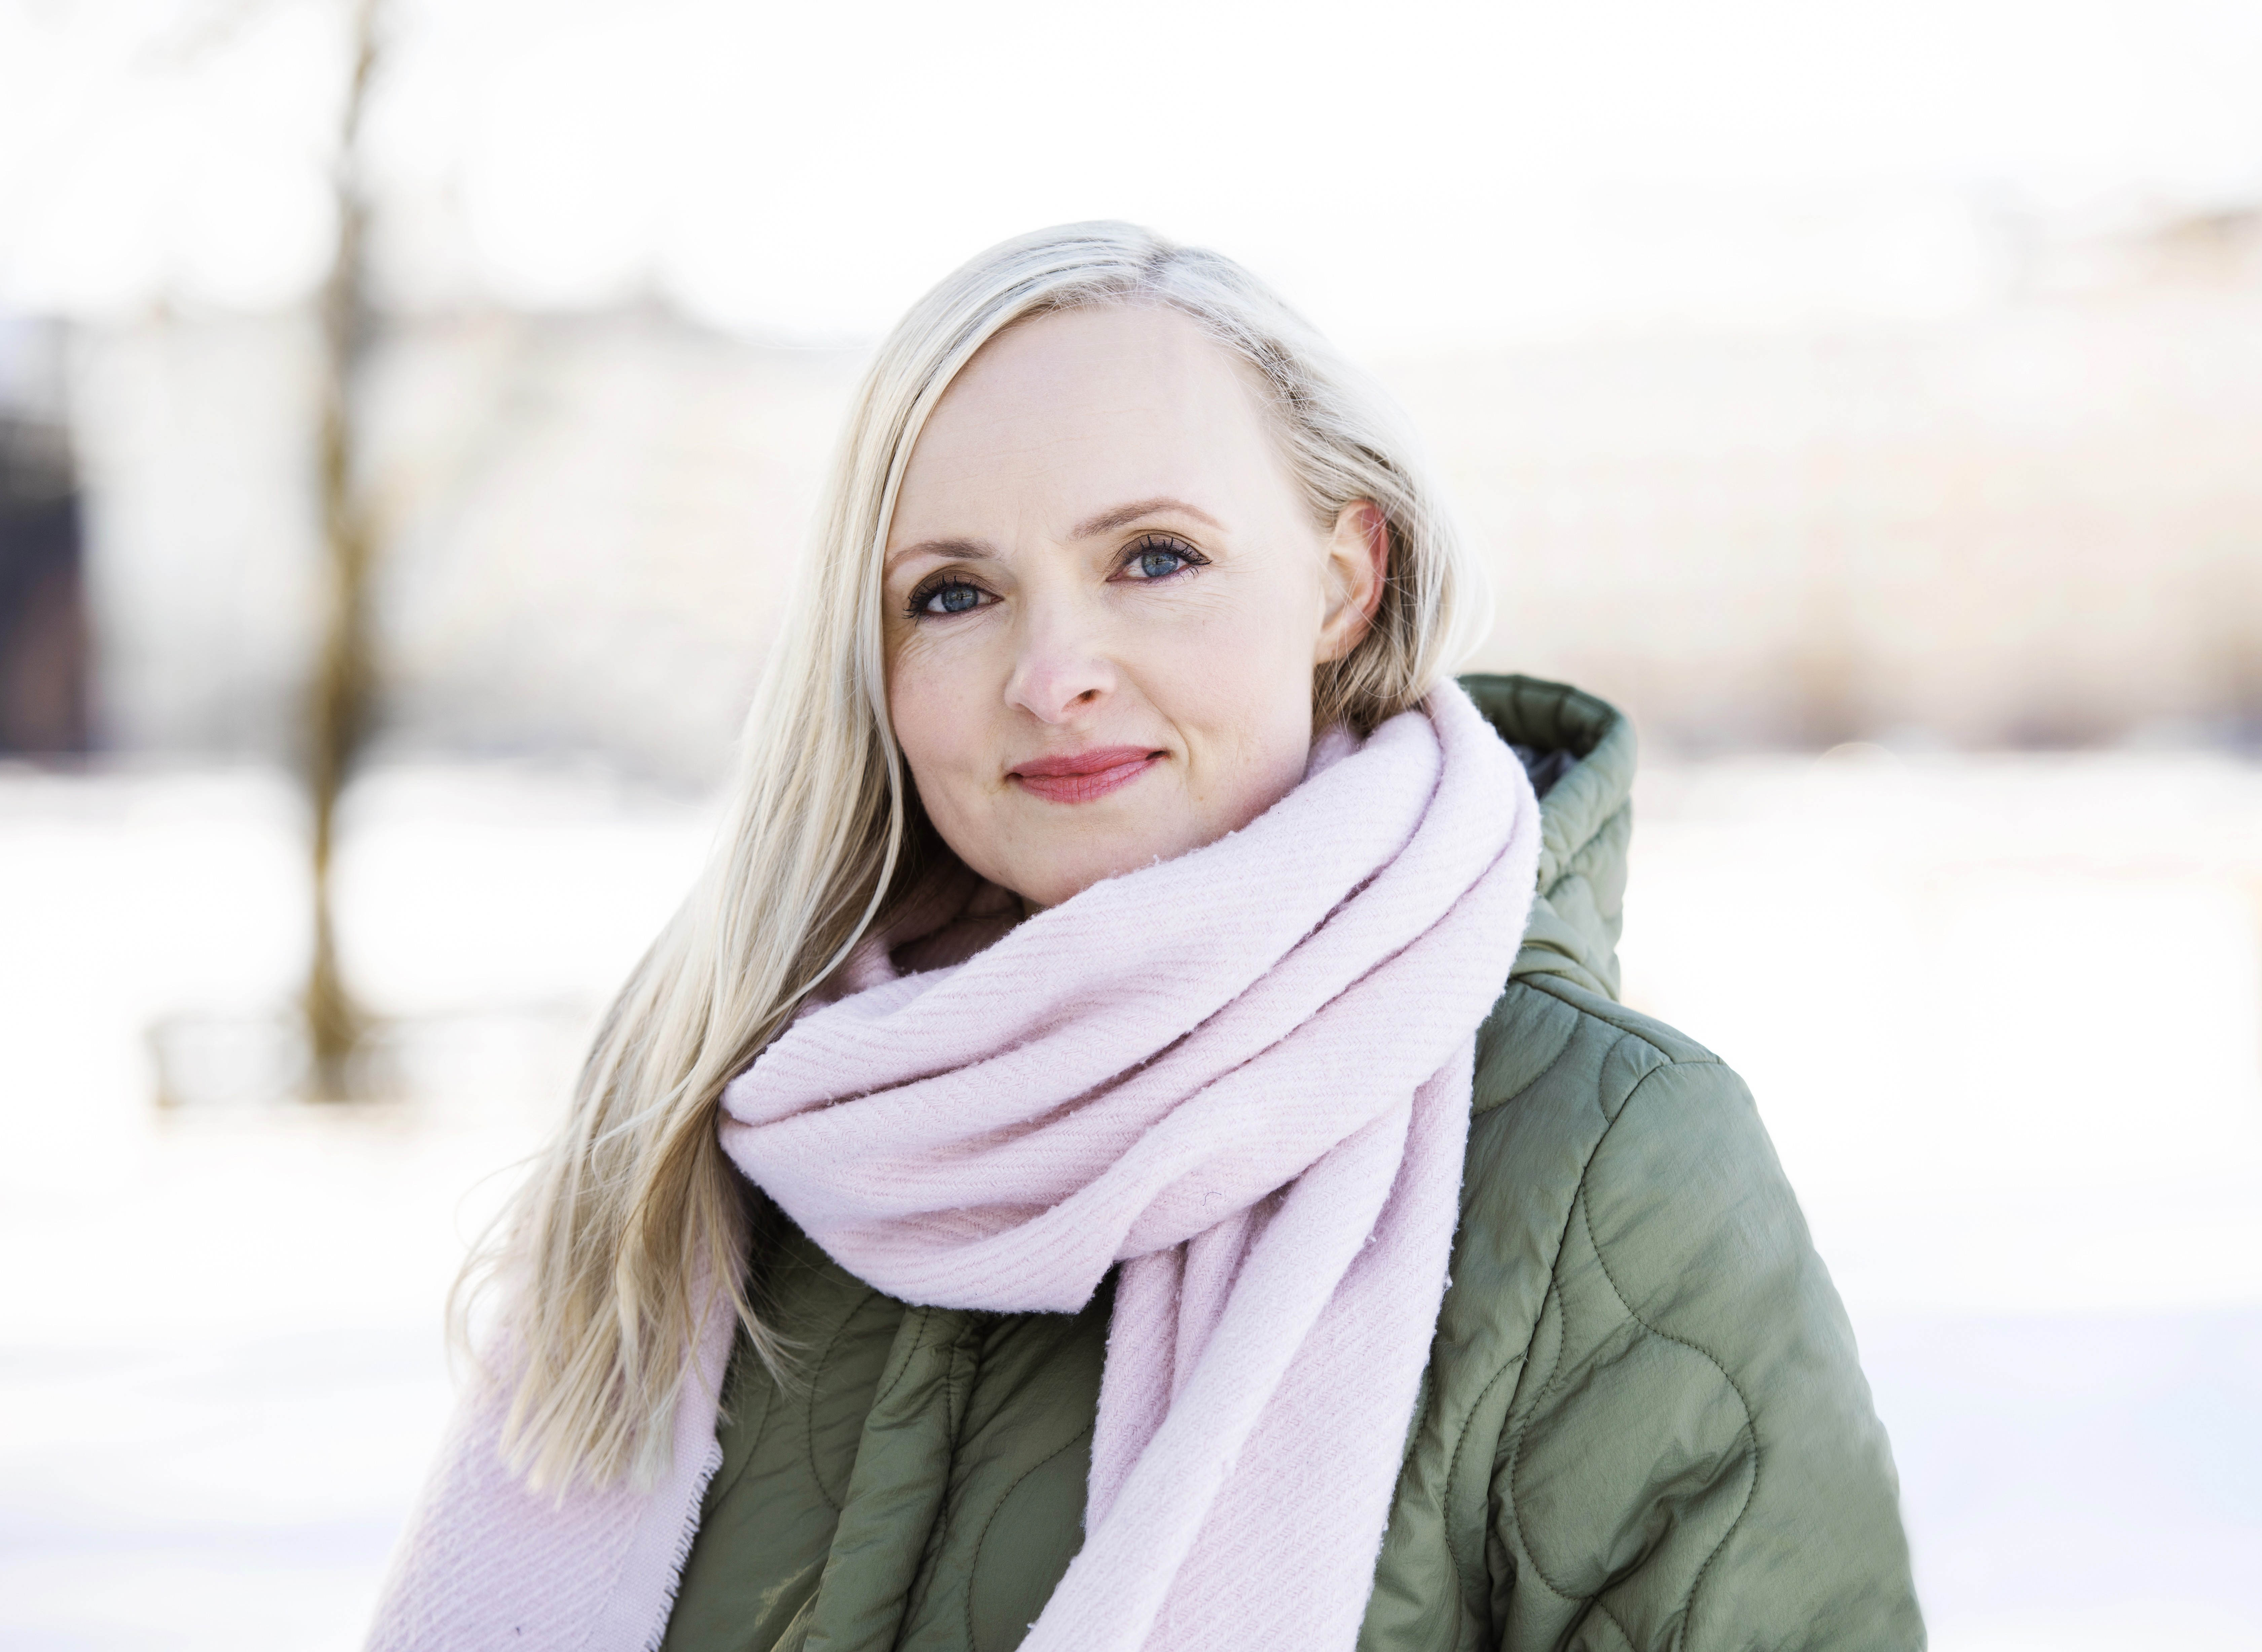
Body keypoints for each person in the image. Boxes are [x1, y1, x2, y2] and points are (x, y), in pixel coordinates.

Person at [368, 223, 1921, 1652]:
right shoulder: (732, 1130)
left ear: (1342, 580)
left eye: (1154, 558)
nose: (1053, 675)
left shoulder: (1604, 1157)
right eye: (953, 593)